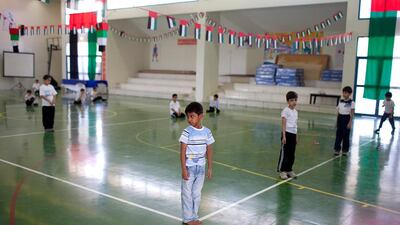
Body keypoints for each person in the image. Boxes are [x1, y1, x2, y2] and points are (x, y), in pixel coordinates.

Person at [179, 102, 214, 225]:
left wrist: (209, 167)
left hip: (201, 168)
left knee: (196, 194)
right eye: (188, 116)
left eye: (192, 116)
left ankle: (194, 216)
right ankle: (188, 219)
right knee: (187, 193)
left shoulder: (207, 132)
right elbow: (182, 152)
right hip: (189, 168)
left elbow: (209, 149)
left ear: (201, 116)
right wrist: (184, 169)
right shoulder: (186, 132)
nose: (189, 119)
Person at [277, 91, 298, 180]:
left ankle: (289, 169)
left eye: (295, 100)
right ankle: (282, 171)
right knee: (284, 153)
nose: (294, 102)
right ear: (288, 101)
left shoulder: (296, 112)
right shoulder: (285, 111)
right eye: (292, 100)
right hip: (287, 134)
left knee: (291, 154)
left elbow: (295, 124)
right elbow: (284, 124)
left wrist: (296, 136)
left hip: (293, 134)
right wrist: (284, 136)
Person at [334, 86, 355, 156]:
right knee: (338, 135)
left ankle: (345, 150)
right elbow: (338, 111)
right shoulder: (340, 101)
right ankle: (337, 149)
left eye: (346, 93)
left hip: (347, 118)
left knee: (346, 136)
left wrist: (350, 122)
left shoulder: (351, 102)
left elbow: (352, 113)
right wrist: (336, 121)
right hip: (340, 117)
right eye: (343, 92)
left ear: (350, 94)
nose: (344, 94)